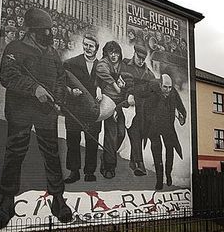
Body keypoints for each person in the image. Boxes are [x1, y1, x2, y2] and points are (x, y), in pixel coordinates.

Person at [0, 7, 73, 230]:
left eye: (49, 30)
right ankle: (7, 201)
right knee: (15, 152)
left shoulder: (52, 53)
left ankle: (58, 198)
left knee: (52, 153)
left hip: (46, 112)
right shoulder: (14, 48)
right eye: (44, 31)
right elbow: (7, 75)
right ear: (31, 31)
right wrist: (34, 88)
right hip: (20, 110)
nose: (49, 34)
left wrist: (58, 98)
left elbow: (60, 78)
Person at [63, 34, 102, 183]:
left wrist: (100, 89)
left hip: (93, 110)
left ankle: (90, 172)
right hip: (74, 108)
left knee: (92, 141)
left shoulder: (102, 66)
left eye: (91, 46)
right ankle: (74, 172)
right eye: (85, 44)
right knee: (73, 140)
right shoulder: (70, 63)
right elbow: (61, 82)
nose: (87, 48)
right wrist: (70, 91)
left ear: (96, 48)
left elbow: (106, 85)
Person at [143, 74, 186, 190]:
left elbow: (180, 106)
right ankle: (159, 180)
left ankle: (168, 174)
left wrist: (182, 115)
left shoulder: (173, 93)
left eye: (170, 87)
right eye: (165, 87)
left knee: (170, 151)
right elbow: (146, 112)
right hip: (154, 128)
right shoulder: (152, 94)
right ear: (160, 85)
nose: (167, 90)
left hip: (168, 127)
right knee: (157, 153)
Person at [121, 44, 156, 176]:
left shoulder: (149, 74)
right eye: (139, 57)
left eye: (143, 58)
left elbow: (153, 92)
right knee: (134, 133)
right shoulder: (124, 65)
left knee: (139, 135)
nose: (141, 61)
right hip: (127, 106)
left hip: (142, 110)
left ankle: (133, 161)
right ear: (134, 53)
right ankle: (140, 164)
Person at [95, 41, 127, 179]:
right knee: (111, 135)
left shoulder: (123, 65)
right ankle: (109, 166)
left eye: (116, 52)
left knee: (121, 134)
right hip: (108, 101)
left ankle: (107, 155)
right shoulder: (104, 63)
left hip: (121, 104)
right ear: (107, 53)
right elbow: (101, 71)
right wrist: (115, 84)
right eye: (111, 52)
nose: (114, 55)